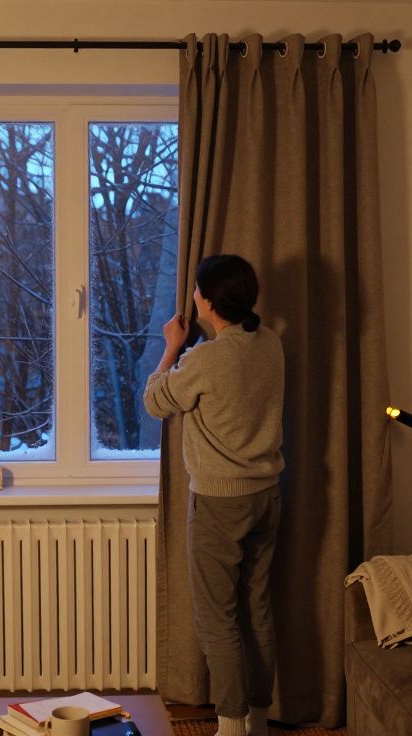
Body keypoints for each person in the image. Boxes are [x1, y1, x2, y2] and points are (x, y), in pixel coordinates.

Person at [143, 254, 285, 736]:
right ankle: (259, 719)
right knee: (257, 607)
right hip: (267, 494)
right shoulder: (269, 344)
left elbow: (156, 402)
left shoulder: (206, 358)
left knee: (218, 617)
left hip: (221, 501)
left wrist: (171, 348)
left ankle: (229, 725)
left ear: (207, 299)